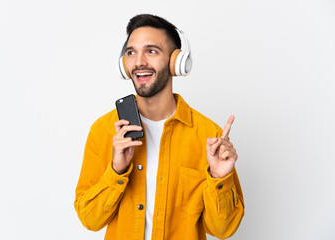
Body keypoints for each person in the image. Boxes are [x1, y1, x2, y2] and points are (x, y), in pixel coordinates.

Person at [74, 14, 244, 240]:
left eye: (151, 51)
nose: (138, 62)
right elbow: (89, 219)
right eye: (131, 52)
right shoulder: (104, 130)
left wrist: (219, 178)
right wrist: (116, 171)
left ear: (176, 62)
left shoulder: (209, 136)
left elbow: (223, 230)